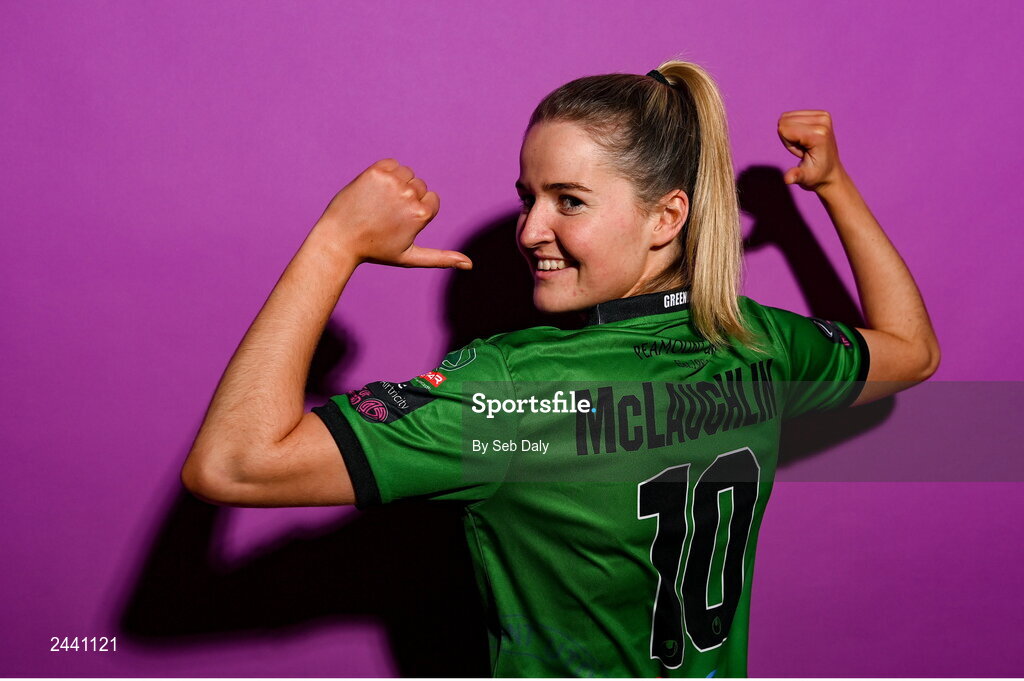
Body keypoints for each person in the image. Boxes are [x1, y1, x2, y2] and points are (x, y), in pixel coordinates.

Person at [182, 59, 940, 677]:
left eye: (568, 200)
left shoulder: (511, 392)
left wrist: (333, 243)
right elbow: (914, 350)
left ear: (666, 217)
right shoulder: (755, 345)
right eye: (528, 196)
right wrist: (830, 190)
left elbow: (234, 466)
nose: (530, 228)